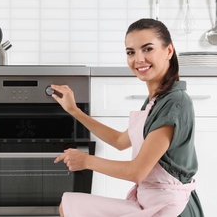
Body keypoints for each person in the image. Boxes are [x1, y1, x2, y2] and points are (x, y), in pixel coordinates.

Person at [50, 18, 204, 217]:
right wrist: (74, 111)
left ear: (169, 51)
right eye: (131, 52)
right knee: (70, 206)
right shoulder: (156, 100)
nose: (138, 59)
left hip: (170, 209)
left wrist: (86, 161)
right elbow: (120, 141)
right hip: (149, 202)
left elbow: (137, 171)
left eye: (147, 49)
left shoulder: (174, 103)